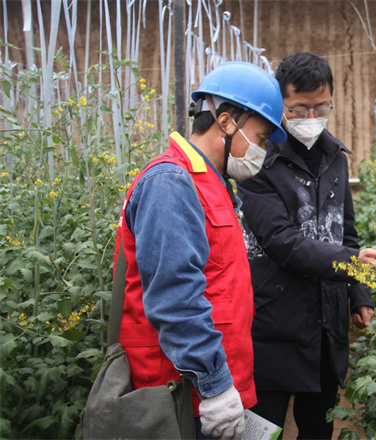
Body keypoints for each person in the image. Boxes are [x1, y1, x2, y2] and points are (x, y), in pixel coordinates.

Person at [112, 61, 286, 440]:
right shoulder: (171, 183)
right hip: (180, 396)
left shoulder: (211, 184)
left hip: (204, 393)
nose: (262, 150)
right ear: (226, 122)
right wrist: (215, 384)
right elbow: (176, 297)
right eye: (259, 137)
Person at [237, 52, 376, 439]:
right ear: (280, 105)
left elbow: (346, 233)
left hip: (326, 323)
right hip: (273, 321)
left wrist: (359, 294)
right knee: (261, 428)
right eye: (299, 109)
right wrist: (354, 263)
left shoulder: (335, 158)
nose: (310, 118)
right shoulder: (258, 161)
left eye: (320, 107)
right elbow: (282, 242)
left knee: (317, 428)